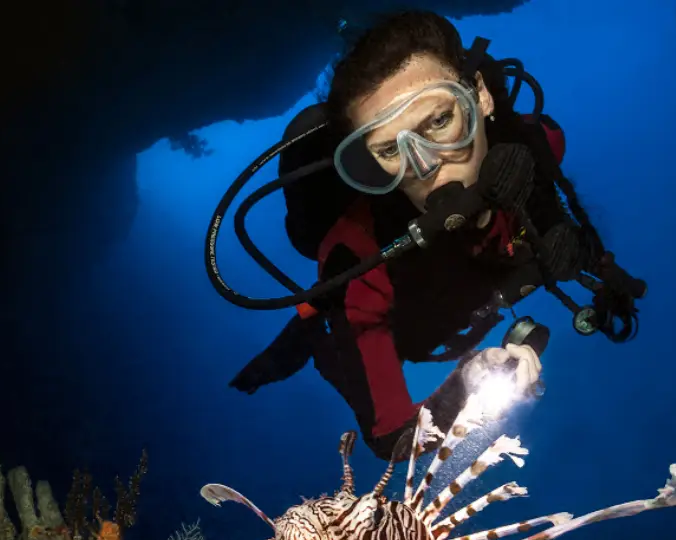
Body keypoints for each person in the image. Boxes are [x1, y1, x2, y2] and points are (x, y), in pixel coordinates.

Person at [228, 10, 612, 461]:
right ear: (370, 165)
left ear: (481, 96)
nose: (426, 164)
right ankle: (296, 340)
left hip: (465, 302)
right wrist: (467, 382)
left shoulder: (538, 147)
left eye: (438, 122)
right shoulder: (356, 258)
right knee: (319, 335)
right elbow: (393, 437)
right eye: (390, 149)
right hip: (377, 325)